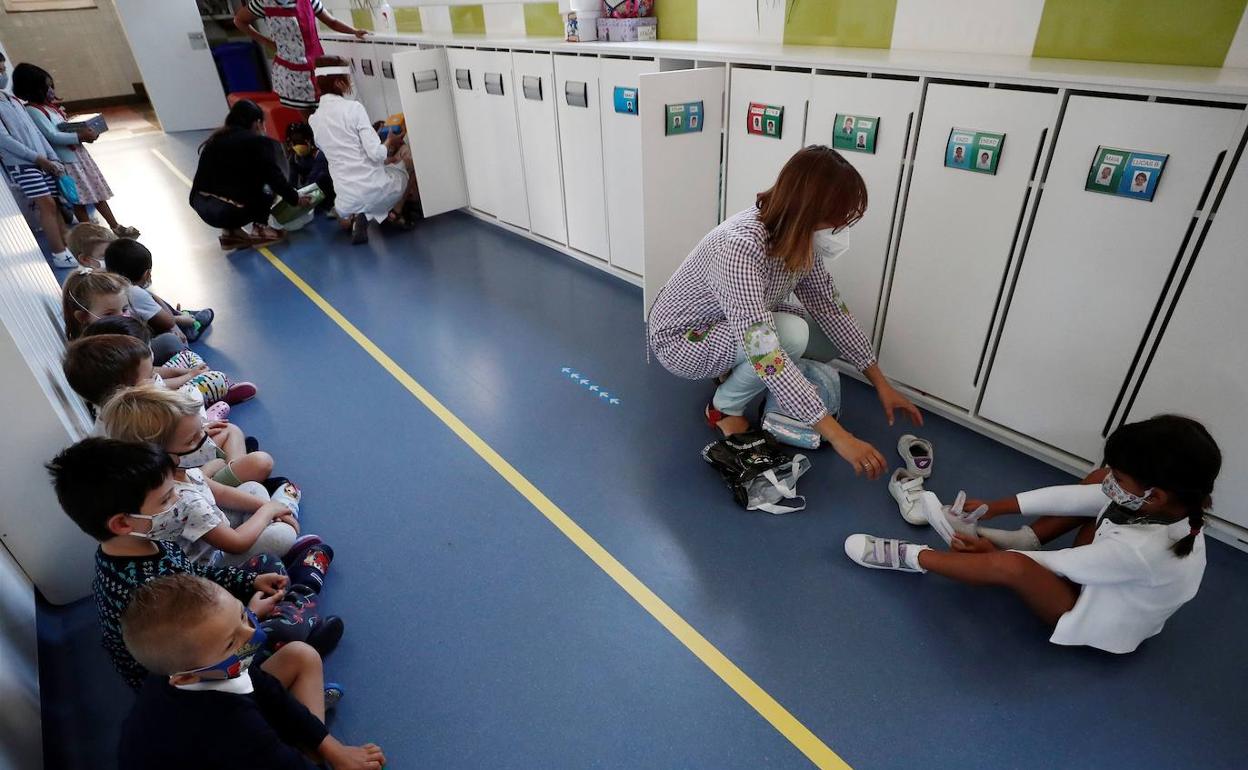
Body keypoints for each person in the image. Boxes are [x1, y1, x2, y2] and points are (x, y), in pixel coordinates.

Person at [647, 146, 922, 479]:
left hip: (727, 322)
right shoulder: (739, 247)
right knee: (789, 335)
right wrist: (837, 435)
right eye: (837, 221)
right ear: (809, 212)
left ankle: (729, 371)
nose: (840, 230)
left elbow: (832, 310)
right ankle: (723, 408)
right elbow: (764, 351)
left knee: (824, 336)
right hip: (683, 340)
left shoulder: (799, 238)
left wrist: (881, 383)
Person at [843, 415, 1220, 654]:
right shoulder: (1164, 506)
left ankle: (911, 557)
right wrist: (997, 506)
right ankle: (1022, 538)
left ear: (1156, 495)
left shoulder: (1144, 550)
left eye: (1120, 478)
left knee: (1011, 568)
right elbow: (1083, 496)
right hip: (1108, 575)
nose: (1111, 481)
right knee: (1094, 489)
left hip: (1094, 614)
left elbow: (1062, 564)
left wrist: (990, 551)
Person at [46, 438, 341, 691]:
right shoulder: (148, 593)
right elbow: (199, 658)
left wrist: (249, 582)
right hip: (198, 678)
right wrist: (249, 616)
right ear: (123, 523)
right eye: (166, 499)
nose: (180, 500)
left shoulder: (145, 539)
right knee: (288, 629)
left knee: (265, 565)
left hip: (202, 619)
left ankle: (291, 613)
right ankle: (289, 641)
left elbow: (195, 574)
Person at [118, 574, 383, 770]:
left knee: (301, 655)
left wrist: (335, 750)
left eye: (243, 616)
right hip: (222, 744)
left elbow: (270, 691)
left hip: (228, 732)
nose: (253, 635)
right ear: (186, 677)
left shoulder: (198, 666)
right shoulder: (228, 724)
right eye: (231, 642)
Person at [98, 385, 300, 562]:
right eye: (192, 440)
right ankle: (285, 514)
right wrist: (268, 511)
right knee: (281, 536)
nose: (205, 439)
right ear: (156, 455)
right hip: (214, 561)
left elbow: (220, 493)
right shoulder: (181, 499)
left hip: (215, 526)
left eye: (201, 430)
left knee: (253, 490)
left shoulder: (179, 468)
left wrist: (267, 506)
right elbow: (236, 544)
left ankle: (276, 514)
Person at [11, 62, 139, 237]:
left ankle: (115, 226)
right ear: (34, 88)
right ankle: (90, 236)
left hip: (79, 157)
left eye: (51, 86)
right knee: (79, 200)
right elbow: (52, 136)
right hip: (67, 162)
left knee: (97, 192)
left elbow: (62, 128)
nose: (51, 90)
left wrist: (83, 130)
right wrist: (80, 136)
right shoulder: (33, 110)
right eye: (47, 86)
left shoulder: (50, 108)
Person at [308, 56, 420, 245]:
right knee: (409, 164)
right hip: (374, 189)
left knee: (347, 208)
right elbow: (376, 154)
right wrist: (389, 142)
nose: (351, 82)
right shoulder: (354, 109)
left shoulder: (314, 119)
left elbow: (341, 151)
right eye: (348, 78)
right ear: (338, 82)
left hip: (345, 197)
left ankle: (353, 217)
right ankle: (395, 212)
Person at [190, 100, 311, 250]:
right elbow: (274, 177)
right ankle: (260, 228)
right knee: (266, 186)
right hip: (228, 210)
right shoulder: (256, 141)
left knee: (239, 181)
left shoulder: (215, 139)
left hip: (201, 205)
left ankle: (231, 233)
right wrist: (295, 199)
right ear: (257, 123)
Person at [0, 52, 74, 267]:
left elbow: (35, 131)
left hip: (43, 160)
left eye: (3, 70)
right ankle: (59, 253)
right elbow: (4, 139)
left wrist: (51, 156)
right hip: (22, 163)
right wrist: (37, 158)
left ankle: (66, 247)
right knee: (47, 204)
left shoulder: (12, 99)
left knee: (56, 203)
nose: (3, 75)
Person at [234, 0, 368, 112]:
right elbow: (239, 20)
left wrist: (354, 31)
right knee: (310, 121)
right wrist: (267, 42)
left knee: (330, 111)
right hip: (291, 72)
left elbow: (331, 21)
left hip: (317, 67)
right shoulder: (263, 3)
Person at [104, 238, 215, 342]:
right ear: (147, 274)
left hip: (127, 334)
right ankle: (190, 325)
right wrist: (178, 319)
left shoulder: (109, 285)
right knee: (170, 336)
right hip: (145, 339)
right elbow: (169, 322)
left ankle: (180, 315)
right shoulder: (135, 292)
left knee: (149, 299)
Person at [284, 121, 335, 214]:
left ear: (309, 141)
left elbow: (313, 183)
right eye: (293, 143)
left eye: (299, 142)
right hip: (308, 195)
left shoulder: (321, 156)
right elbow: (292, 182)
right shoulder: (295, 158)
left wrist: (298, 197)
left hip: (326, 198)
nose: (296, 146)